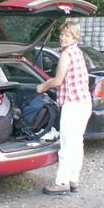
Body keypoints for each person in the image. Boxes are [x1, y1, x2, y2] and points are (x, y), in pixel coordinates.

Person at [36, 20, 91, 195]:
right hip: (84, 102)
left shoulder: (66, 54)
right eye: (62, 34)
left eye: (67, 35)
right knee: (77, 143)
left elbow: (58, 80)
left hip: (73, 105)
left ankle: (61, 183)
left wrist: (43, 86)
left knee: (67, 144)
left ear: (74, 37)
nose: (63, 38)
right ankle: (73, 180)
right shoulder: (78, 52)